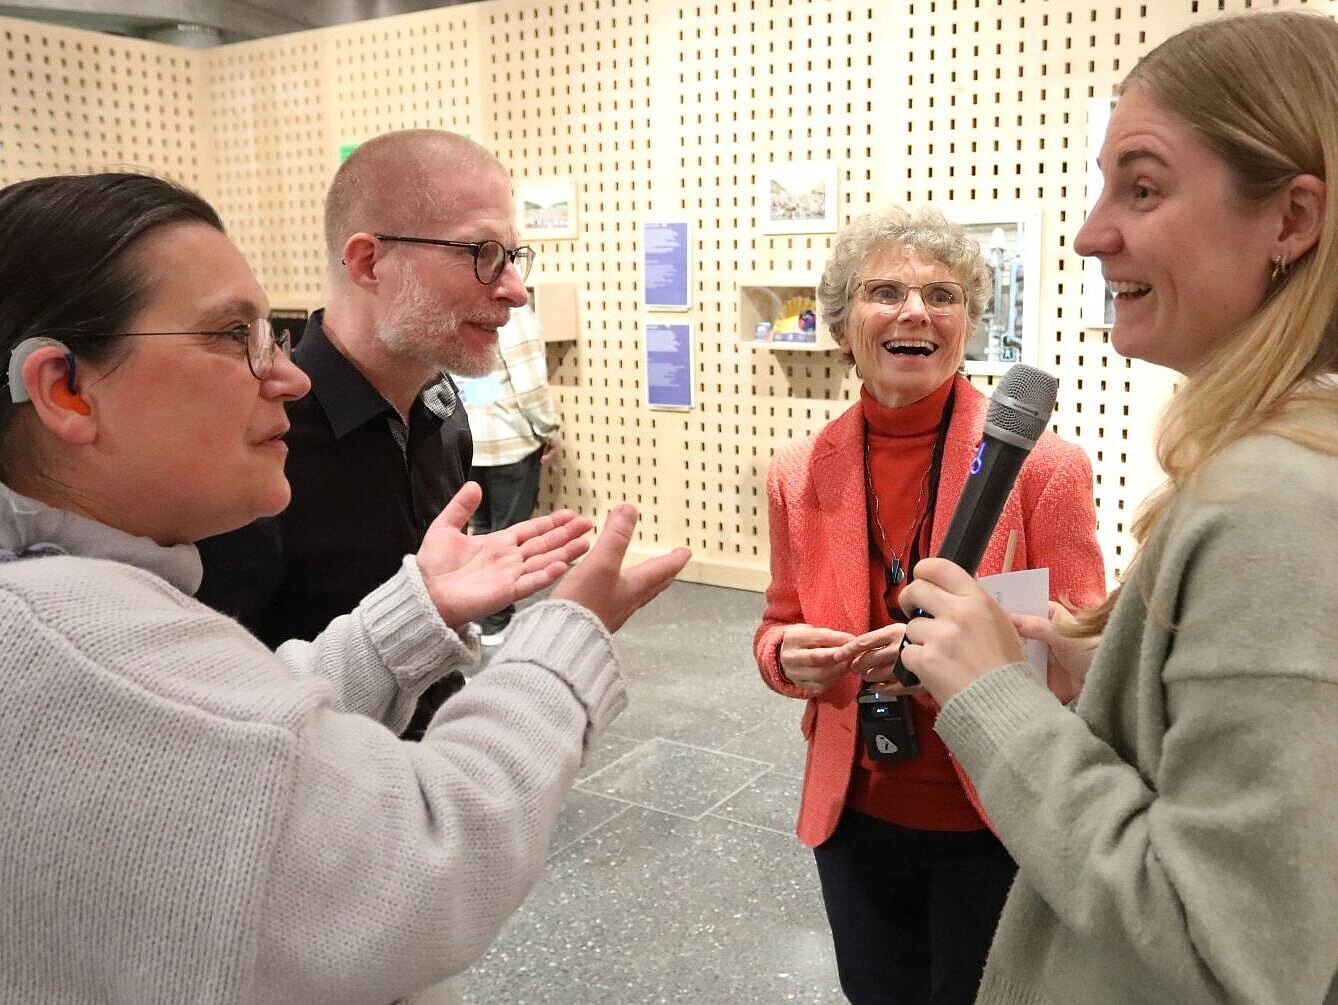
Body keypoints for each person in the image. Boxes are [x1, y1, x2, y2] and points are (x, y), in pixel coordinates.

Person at [0, 170, 691, 1004]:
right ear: (64, 389)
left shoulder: (439, 418)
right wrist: (569, 631)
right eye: (232, 336)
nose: (285, 378)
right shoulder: (74, 630)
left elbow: (233, 724)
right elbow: (419, 858)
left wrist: (414, 614)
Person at [874, 11, 1338, 1003]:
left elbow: (1228, 955)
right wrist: (1126, 685)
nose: (1092, 233)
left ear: (1292, 221)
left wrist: (990, 697)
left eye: (1143, 185)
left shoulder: (1274, 505)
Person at [753, 205, 1106, 1004]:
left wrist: (980, 657)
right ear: (843, 326)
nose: (915, 311)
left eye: (942, 296)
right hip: (856, 811)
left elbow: (1089, 653)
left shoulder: (1044, 468)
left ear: (967, 324)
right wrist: (786, 657)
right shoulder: (797, 471)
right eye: (886, 291)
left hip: (991, 812)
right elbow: (775, 622)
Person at [196, 128, 527, 737]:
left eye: (512, 257)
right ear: (368, 263)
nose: (514, 289)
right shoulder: (259, 437)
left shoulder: (442, 408)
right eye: (480, 253)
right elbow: (217, 701)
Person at [458, 301, 562, 646]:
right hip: (509, 441)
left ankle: (475, 616)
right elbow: (530, 386)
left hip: (467, 439)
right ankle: (496, 621)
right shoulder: (513, 315)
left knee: (479, 532)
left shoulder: (458, 307)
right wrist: (549, 429)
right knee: (510, 536)